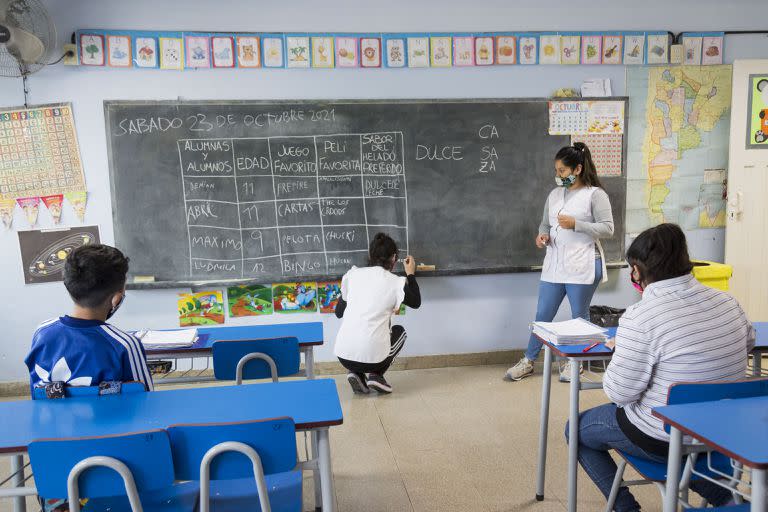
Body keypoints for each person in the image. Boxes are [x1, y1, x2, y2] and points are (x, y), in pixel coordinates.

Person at [567, 223, 755, 511]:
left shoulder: (640, 317)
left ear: (636, 272)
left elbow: (619, 394)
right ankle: (727, 498)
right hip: (722, 433)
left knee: (576, 428)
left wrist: (623, 352)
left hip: (662, 437)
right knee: (687, 450)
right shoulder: (729, 303)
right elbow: (747, 344)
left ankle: (626, 508)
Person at [505, 142, 614, 382]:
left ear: (577, 168)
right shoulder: (554, 195)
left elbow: (608, 229)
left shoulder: (595, 195)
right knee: (542, 316)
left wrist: (577, 224)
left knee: (579, 318)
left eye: (562, 171)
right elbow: (545, 224)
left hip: (583, 263)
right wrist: (542, 235)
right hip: (554, 264)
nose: (558, 176)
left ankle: (575, 365)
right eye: (556, 171)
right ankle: (529, 361)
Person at [25, 244, 154, 395]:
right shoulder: (125, 345)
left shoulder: (42, 333)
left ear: (68, 284)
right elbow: (145, 400)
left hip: (53, 419)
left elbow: (38, 392)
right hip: (112, 419)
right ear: (116, 298)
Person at [334, 233, 421, 394]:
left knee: (365, 337)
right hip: (374, 359)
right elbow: (416, 302)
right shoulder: (395, 281)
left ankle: (356, 374)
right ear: (394, 258)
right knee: (400, 333)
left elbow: (338, 312)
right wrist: (410, 274)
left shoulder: (352, 275)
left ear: (370, 255)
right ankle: (376, 375)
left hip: (343, 355)